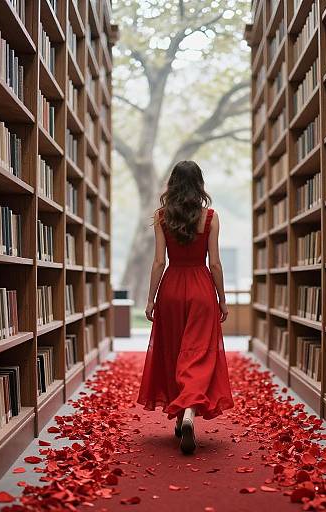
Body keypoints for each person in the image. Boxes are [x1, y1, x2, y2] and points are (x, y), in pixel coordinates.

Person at [137, 160, 234, 455]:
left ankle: (181, 417)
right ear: (199, 184)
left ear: (173, 184)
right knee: (197, 354)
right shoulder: (211, 217)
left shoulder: (162, 216)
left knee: (174, 351)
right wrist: (222, 298)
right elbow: (214, 262)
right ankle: (189, 414)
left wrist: (151, 298)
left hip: (172, 289)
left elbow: (158, 262)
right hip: (201, 288)